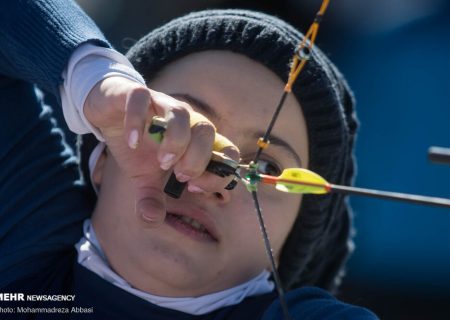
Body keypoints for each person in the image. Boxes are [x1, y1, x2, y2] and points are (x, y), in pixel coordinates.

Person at [0, 1, 378, 319]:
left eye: (267, 168)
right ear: (101, 160)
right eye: (168, 127)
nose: (206, 178)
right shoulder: (27, 250)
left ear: (294, 238)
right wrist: (92, 75)